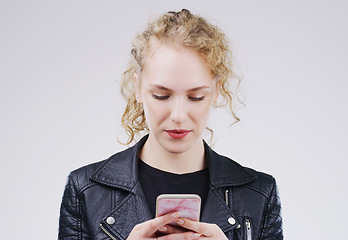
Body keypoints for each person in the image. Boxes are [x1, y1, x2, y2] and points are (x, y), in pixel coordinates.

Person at [58, 9, 283, 240]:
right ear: (138, 88)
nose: (178, 115)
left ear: (216, 90)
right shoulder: (85, 190)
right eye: (161, 95)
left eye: (195, 97)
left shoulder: (260, 194)